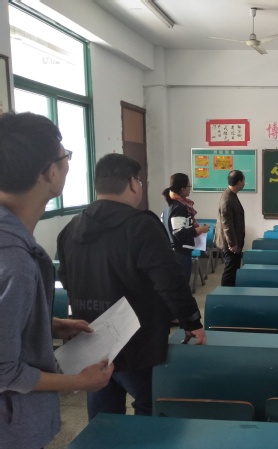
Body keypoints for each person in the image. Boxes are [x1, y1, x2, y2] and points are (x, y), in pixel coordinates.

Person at [57, 153, 206, 421]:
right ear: (132, 184)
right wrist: (191, 321)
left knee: (103, 417)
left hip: (92, 338)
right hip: (138, 340)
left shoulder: (71, 228)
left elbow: (66, 279)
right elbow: (169, 280)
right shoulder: (141, 225)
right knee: (149, 406)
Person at [0, 112, 113, 449]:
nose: (66, 165)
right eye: (66, 157)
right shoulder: (15, 260)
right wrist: (78, 381)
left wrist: (48, 324)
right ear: (50, 172)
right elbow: (4, 370)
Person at [161, 173, 209, 281]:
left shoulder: (169, 206)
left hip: (174, 251)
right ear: (182, 189)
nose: (190, 188)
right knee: (182, 285)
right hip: (180, 254)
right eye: (189, 186)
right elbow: (179, 233)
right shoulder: (178, 207)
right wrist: (200, 229)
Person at [215, 169, 246, 286]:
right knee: (230, 271)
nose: (244, 183)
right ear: (239, 182)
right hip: (230, 244)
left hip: (232, 242)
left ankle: (231, 291)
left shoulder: (231, 195)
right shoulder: (227, 198)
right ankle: (225, 292)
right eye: (243, 181)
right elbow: (227, 224)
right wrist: (232, 243)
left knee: (233, 270)